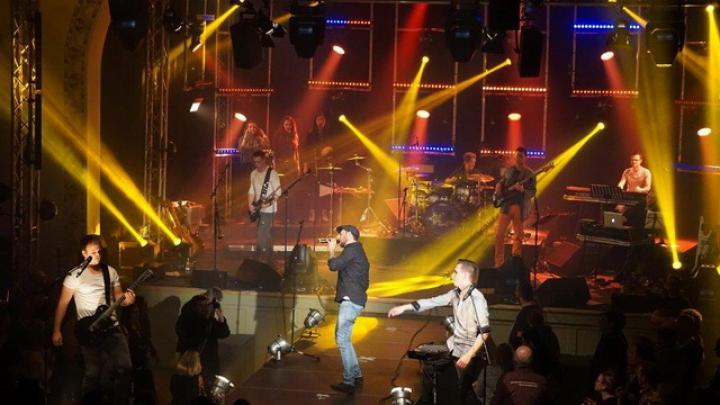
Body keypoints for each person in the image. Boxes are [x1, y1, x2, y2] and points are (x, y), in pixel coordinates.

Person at [388, 259, 490, 404]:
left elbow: (484, 332)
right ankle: (426, 401)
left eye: (455, 272)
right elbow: (432, 301)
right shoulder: (455, 293)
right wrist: (404, 307)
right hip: (453, 345)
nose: (452, 275)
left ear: (465, 275)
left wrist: (468, 355)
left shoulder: (477, 299)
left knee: (464, 392)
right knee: (427, 358)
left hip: (469, 352)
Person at [52, 234, 136, 405]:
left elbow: (119, 297)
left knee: (125, 367)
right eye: (93, 252)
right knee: (92, 373)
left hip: (111, 327)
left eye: (99, 251)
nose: (97, 255)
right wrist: (56, 330)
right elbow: (63, 303)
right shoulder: (74, 276)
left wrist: (128, 300)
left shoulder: (110, 271)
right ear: (84, 253)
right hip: (88, 330)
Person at [327, 225, 370, 395]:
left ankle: (348, 381)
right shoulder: (357, 251)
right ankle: (356, 374)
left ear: (350, 234)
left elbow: (334, 265)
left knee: (342, 339)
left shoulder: (352, 249)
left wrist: (331, 250)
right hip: (355, 300)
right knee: (345, 338)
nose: (339, 236)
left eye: (341, 233)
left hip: (350, 300)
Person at [175, 288, 230, 384]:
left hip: (187, 356)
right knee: (205, 385)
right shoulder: (207, 321)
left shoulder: (187, 312)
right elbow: (224, 333)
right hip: (206, 360)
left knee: (186, 383)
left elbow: (179, 329)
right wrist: (221, 317)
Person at [494, 147, 536, 268]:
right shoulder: (508, 170)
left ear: (525, 158)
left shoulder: (530, 173)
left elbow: (533, 192)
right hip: (506, 206)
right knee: (499, 235)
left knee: (518, 237)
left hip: (519, 206)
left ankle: (515, 265)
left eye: (521, 156)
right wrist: (498, 186)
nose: (518, 158)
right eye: (517, 155)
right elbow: (502, 183)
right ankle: (498, 264)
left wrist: (523, 190)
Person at [248, 150, 281, 263]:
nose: (256, 164)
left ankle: (261, 257)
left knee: (261, 233)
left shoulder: (272, 173)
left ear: (264, 161)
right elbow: (251, 191)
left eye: (258, 162)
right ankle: (270, 257)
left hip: (269, 210)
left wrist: (268, 204)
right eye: (254, 162)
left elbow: (278, 193)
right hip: (258, 208)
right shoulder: (253, 174)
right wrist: (250, 204)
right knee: (265, 232)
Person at [590, 311, 628, 386]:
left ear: (611, 324)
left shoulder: (615, 340)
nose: (599, 322)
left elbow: (610, 362)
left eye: (603, 320)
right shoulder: (606, 336)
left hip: (607, 380)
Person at [508, 281, 542, 349]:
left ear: (519, 293)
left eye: (516, 290)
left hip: (524, 352)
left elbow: (520, 336)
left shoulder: (525, 313)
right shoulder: (537, 310)